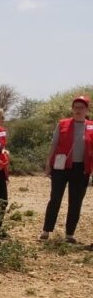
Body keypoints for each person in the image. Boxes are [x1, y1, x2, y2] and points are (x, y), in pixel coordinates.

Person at [40, 95, 93, 243]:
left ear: (87, 109)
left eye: (81, 107)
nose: (78, 110)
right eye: (75, 107)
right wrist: (48, 164)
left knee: (75, 202)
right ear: (72, 108)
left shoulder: (91, 126)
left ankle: (69, 234)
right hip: (61, 167)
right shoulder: (62, 124)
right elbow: (54, 144)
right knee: (55, 199)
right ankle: (46, 231)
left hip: (81, 168)